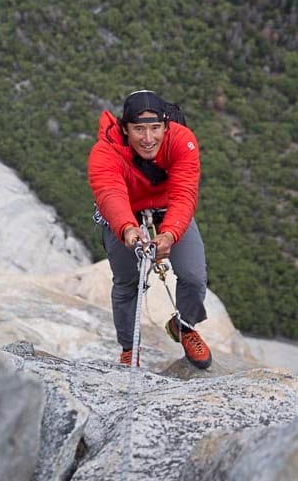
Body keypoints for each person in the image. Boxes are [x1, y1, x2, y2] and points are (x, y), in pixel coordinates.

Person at [88, 90, 212, 369]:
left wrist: (170, 234)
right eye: (139, 129)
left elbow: (184, 194)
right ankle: (129, 348)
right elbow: (110, 193)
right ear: (124, 129)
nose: (148, 138)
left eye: (155, 128)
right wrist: (128, 230)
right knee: (126, 282)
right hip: (126, 212)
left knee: (193, 276)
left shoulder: (182, 142)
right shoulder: (105, 151)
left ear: (166, 127)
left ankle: (184, 325)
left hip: (168, 208)